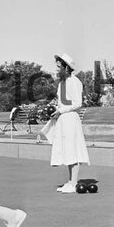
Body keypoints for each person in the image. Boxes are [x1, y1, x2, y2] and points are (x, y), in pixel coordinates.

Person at [40, 53, 90, 193]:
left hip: (70, 119)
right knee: (67, 150)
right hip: (62, 119)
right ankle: (70, 181)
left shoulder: (75, 82)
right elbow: (61, 102)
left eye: (59, 66)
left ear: (66, 67)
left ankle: (74, 183)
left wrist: (61, 111)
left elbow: (77, 103)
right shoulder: (62, 83)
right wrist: (56, 110)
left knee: (72, 149)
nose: (57, 69)